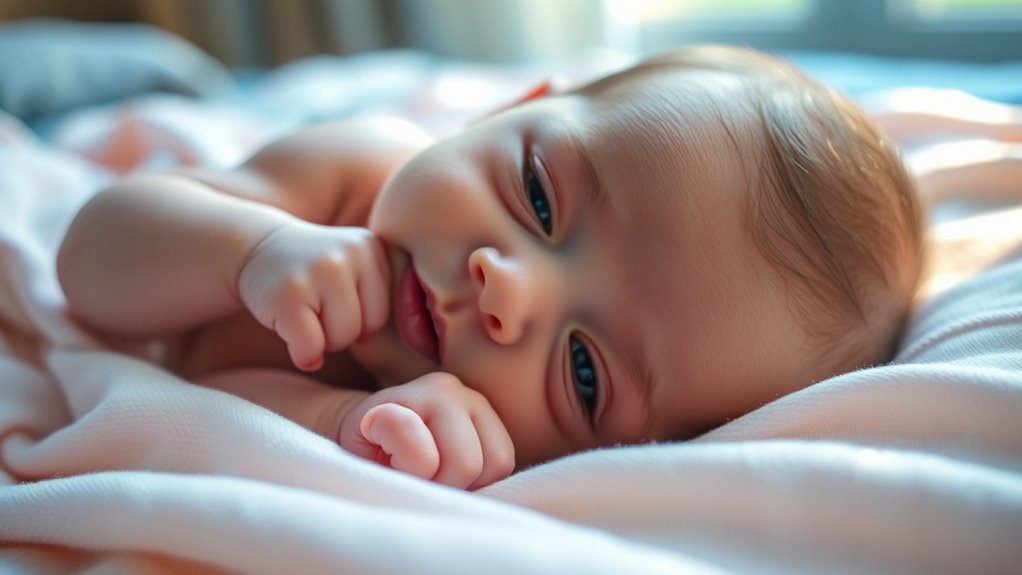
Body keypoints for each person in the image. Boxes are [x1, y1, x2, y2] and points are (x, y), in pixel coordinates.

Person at [57, 45, 925, 490]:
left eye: (585, 372)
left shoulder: (441, 436)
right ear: (516, 108)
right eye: (540, 198)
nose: (508, 291)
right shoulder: (352, 174)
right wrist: (247, 250)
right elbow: (88, 261)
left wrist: (345, 422)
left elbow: (206, 418)